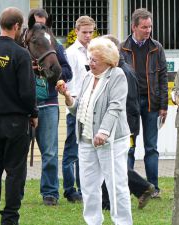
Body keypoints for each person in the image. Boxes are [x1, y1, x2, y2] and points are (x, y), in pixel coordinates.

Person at [56, 37, 133, 225]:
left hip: (111, 140)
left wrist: (104, 131)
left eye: (94, 60)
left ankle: (122, 222)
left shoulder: (117, 75)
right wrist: (67, 97)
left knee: (116, 185)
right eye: (90, 59)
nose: (90, 63)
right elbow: (80, 106)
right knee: (89, 187)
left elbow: (115, 106)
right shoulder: (89, 76)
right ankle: (92, 222)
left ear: (107, 60)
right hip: (86, 138)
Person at [0, 7, 38, 225]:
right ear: (17, 27)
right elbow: (27, 92)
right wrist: (34, 113)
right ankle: (10, 219)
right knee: (15, 172)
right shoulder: (20, 54)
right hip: (15, 121)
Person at [102, 34, 155, 210]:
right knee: (110, 162)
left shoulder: (123, 72)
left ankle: (142, 188)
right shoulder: (119, 69)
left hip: (124, 126)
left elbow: (129, 103)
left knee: (114, 163)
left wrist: (129, 130)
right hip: (121, 125)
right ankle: (108, 200)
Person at [120, 8, 168, 198]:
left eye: (150, 27)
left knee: (151, 147)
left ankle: (153, 187)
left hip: (151, 104)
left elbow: (163, 77)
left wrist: (164, 106)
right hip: (129, 105)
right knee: (129, 146)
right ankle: (130, 187)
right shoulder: (121, 48)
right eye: (144, 27)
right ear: (134, 27)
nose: (148, 30)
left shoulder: (157, 47)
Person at [28, 8, 72, 206]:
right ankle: (17, 192)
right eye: (36, 24)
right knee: (18, 152)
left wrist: (58, 76)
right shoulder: (21, 46)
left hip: (49, 103)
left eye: (43, 25)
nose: (39, 28)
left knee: (50, 152)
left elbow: (67, 70)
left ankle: (50, 193)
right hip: (25, 106)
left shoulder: (56, 45)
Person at [62, 15, 95, 203]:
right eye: (84, 32)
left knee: (85, 150)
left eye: (91, 32)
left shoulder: (94, 51)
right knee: (72, 150)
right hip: (76, 107)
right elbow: (70, 82)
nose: (88, 36)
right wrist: (73, 104)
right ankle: (69, 188)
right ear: (76, 32)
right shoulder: (71, 53)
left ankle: (84, 187)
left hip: (91, 108)